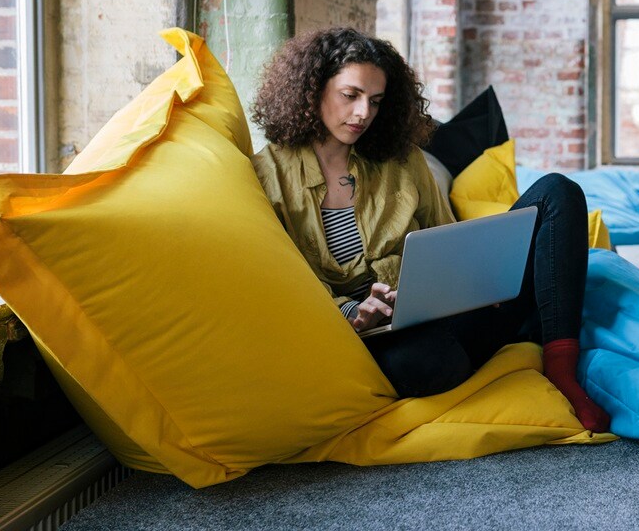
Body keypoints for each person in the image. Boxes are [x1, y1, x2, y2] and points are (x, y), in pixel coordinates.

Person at [250, 27, 610, 432]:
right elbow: (284, 285)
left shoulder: (403, 160)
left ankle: (561, 370)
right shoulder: (268, 177)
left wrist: (474, 284)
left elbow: (448, 238)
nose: (363, 113)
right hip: (371, 335)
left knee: (557, 192)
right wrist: (353, 311)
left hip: (442, 310)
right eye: (350, 95)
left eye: (376, 101)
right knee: (423, 365)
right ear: (313, 89)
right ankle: (532, 319)